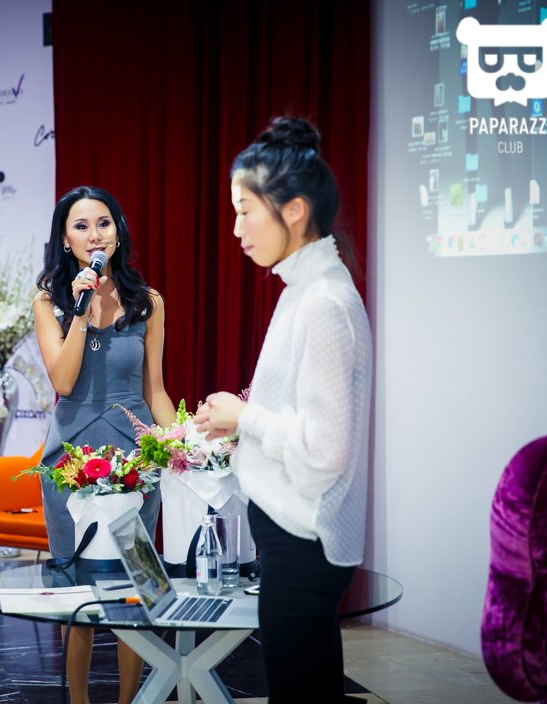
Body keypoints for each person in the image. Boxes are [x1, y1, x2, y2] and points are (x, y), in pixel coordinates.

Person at [194, 117, 373, 703]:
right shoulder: (305, 290)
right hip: (293, 542)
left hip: (303, 544)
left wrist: (243, 418)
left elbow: (325, 451)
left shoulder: (323, 302)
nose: (236, 228)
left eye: (246, 210)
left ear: (294, 210)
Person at [33, 185, 177, 704]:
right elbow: (64, 381)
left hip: (134, 459)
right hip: (72, 460)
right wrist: (81, 310)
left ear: (118, 231)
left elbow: (155, 390)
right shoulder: (49, 302)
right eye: (81, 226)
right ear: (65, 239)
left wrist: (178, 446)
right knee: (78, 593)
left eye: (103, 223)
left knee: (131, 589)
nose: (94, 235)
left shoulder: (147, 303)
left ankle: (127, 701)